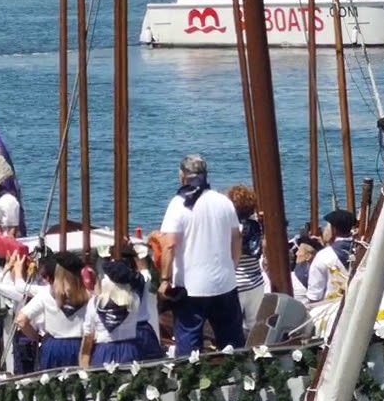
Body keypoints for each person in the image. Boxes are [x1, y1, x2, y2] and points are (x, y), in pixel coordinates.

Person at [157, 154, 245, 356]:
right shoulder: (223, 201)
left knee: (189, 346)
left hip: (191, 287)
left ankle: (192, 374)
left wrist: (165, 280)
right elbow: (237, 238)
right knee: (232, 343)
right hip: (224, 283)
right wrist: (232, 266)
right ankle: (239, 372)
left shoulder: (178, 204)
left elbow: (169, 245)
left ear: (182, 176)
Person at [17, 251, 89, 370]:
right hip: (80, 346)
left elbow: (21, 320)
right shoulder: (88, 295)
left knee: (52, 380)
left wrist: (37, 338)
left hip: (54, 347)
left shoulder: (46, 293)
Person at [84, 260, 149, 366]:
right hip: (129, 350)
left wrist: (84, 359)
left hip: (103, 351)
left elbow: (88, 332)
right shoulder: (134, 300)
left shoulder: (95, 303)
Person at [226, 185, 267, 335]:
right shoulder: (257, 226)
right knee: (254, 324)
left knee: (233, 326)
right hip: (256, 281)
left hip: (236, 282)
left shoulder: (231, 228)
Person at [305, 209, 357, 306]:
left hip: (331, 311)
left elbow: (314, 296)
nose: (324, 230)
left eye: (326, 227)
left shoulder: (324, 256)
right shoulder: (363, 250)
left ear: (334, 230)